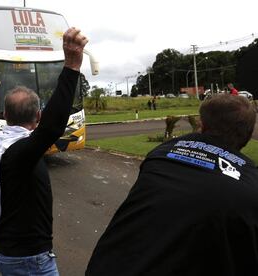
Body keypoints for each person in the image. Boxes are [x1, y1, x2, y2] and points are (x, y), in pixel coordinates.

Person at [0, 27, 87, 276]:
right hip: (28, 259)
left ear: (5, 116)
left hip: (4, 252)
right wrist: (71, 67)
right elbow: (52, 128)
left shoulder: (1, 146)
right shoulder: (22, 152)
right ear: (37, 116)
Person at [86, 94, 258, 276]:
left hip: (106, 265)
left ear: (202, 124)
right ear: (248, 135)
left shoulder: (160, 154)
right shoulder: (250, 185)